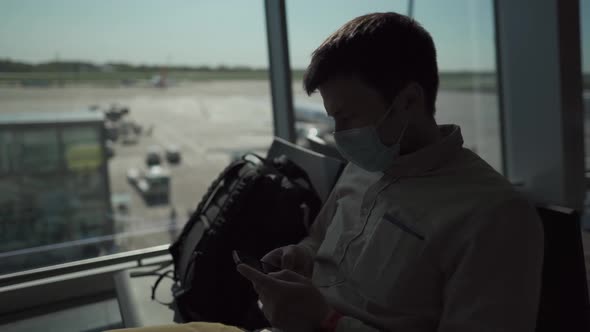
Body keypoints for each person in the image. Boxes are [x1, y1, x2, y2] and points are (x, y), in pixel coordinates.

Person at [110, 11, 543, 332]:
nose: (338, 135)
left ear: (409, 102)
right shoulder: (363, 167)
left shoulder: (495, 217)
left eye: (348, 117)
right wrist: (301, 256)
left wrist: (326, 321)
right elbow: (317, 238)